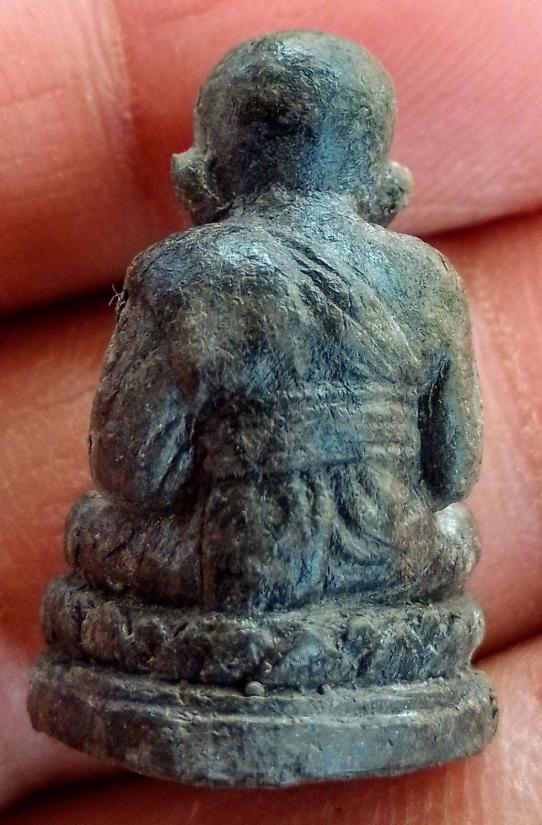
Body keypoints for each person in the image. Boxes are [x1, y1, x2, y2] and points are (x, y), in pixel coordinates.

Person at [1, 2, 541, 822]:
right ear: (385, 184)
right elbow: (450, 471)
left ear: (202, 176)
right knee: (454, 533)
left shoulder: (178, 274)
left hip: (222, 577)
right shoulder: (428, 281)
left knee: (92, 530)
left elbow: (134, 476)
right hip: (392, 574)